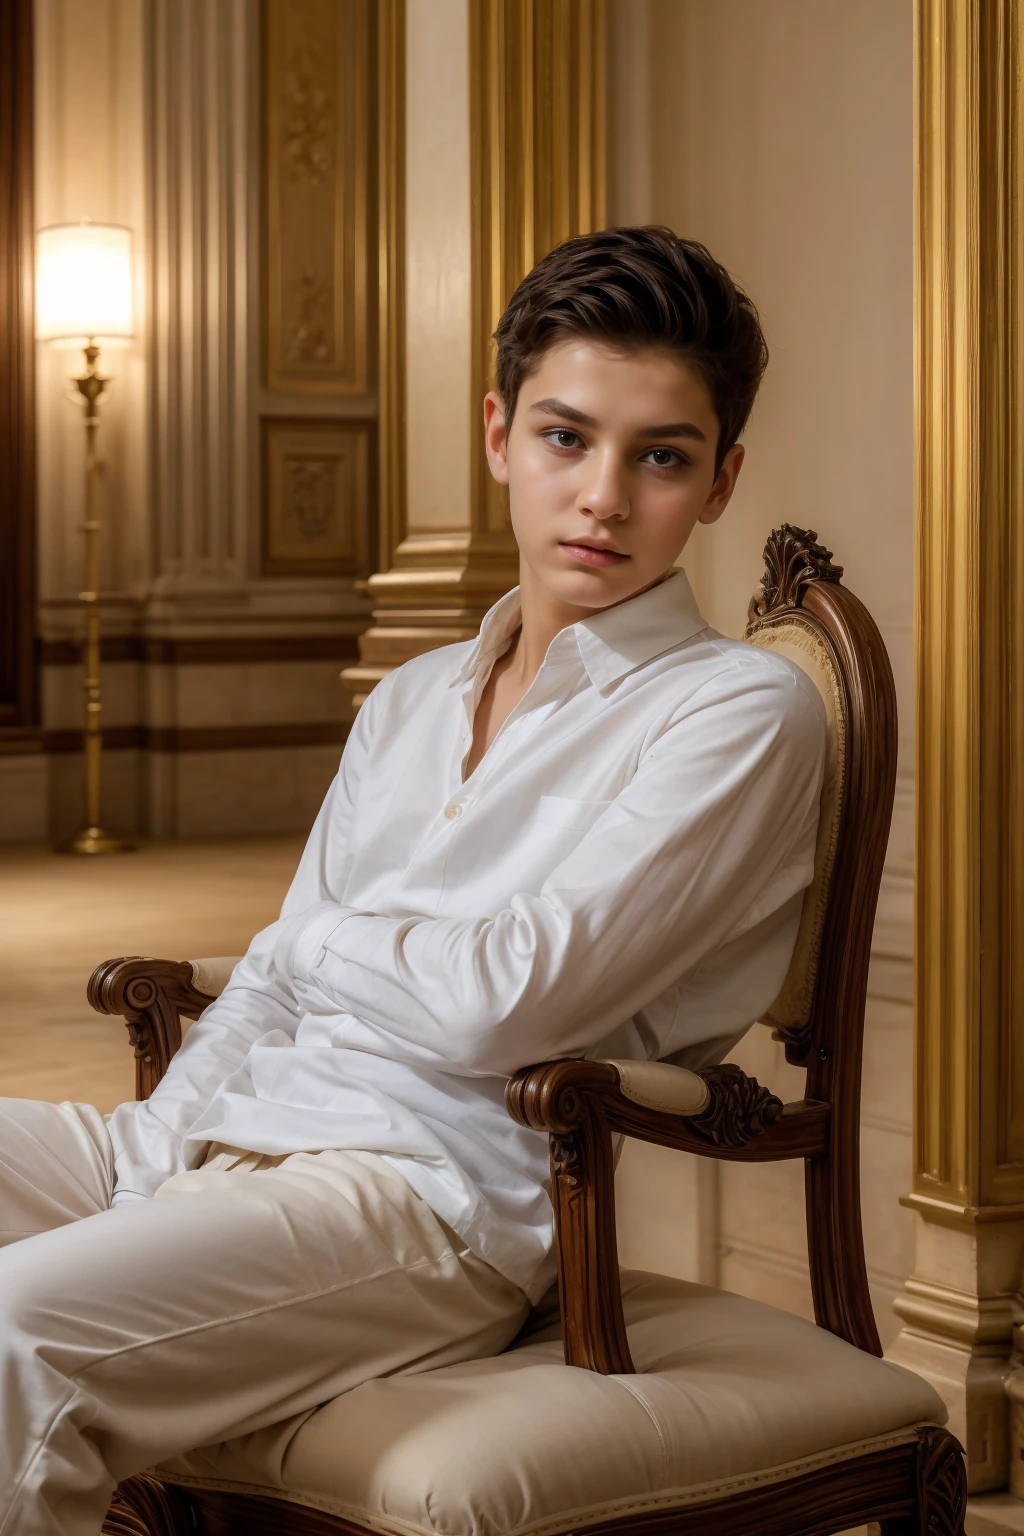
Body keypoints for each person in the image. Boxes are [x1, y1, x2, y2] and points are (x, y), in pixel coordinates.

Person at [0, 227, 826, 1535]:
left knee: (13, 1335)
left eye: (658, 457)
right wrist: (151, 1166)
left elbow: (509, 1007)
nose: (603, 497)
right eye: (567, 438)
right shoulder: (412, 696)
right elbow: (272, 979)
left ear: (718, 482)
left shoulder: (735, 712)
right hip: (233, 1137)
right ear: (500, 434)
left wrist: (332, 940)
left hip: (424, 1199)